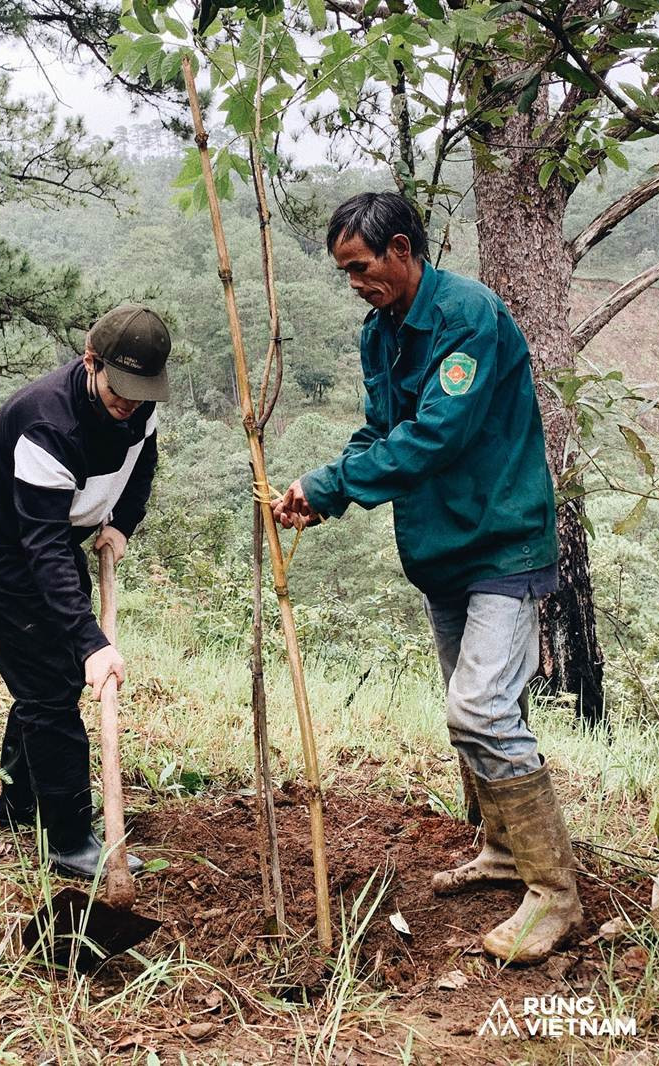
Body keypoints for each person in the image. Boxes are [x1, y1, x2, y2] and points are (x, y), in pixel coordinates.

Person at [273, 192, 582, 964]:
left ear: (403, 249)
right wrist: (327, 492)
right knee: (469, 710)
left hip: (502, 542)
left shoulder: (468, 317)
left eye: (361, 267)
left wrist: (333, 483)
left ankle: (555, 894)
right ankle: (504, 853)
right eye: (344, 271)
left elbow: (436, 435)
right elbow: (381, 431)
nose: (354, 283)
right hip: (442, 548)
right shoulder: (380, 334)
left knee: (481, 708)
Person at [0, 304, 170, 879]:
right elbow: (43, 548)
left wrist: (122, 521)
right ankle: (70, 839)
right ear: (90, 360)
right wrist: (91, 640)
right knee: (50, 682)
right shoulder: (48, 424)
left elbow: (142, 460)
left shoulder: (139, 406)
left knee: (52, 675)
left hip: (56, 529)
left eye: (141, 391)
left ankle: (18, 804)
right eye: (119, 388)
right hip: (1, 541)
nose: (129, 402)